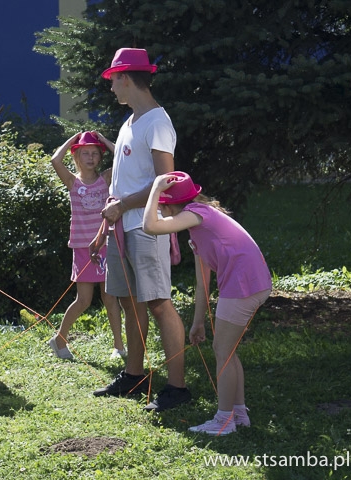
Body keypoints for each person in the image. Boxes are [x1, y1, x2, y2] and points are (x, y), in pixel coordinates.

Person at [90, 47, 191, 411]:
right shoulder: (130, 122)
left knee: (160, 304)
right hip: (122, 226)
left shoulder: (157, 122)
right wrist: (108, 220)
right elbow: (127, 179)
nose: (111, 87)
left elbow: (167, 181)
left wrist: (122, 206)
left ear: (127, 79)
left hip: (147, 227)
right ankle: (134, 376)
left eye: (113, 80)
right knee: (130, 303)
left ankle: (178, 388)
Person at [142, 171, 271, 434]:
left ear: (171, 205)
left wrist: (155, 188)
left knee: (223, 351)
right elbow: (203, 281)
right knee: (227, 350)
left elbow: (150, 226)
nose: (161, 209)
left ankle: (224, 421)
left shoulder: (196, 213)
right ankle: (238, 414)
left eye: (163, 204)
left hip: (243, 286)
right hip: (251, 283)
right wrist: (198, 322)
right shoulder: (200, 225)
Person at [48, 131, 125, 360]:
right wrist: (72, 140)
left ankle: (119, 347)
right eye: (85, 153)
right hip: (83, 248)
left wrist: (103, 140)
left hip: (106, 244)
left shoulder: (106, 179)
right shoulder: (72, 181)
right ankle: (59, 339)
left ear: (100, 157)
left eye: (94, 153)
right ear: (76, 157)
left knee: (110, 297)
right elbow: (55, 160)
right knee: (83, 300)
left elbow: (123, 156)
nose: (90, 157)